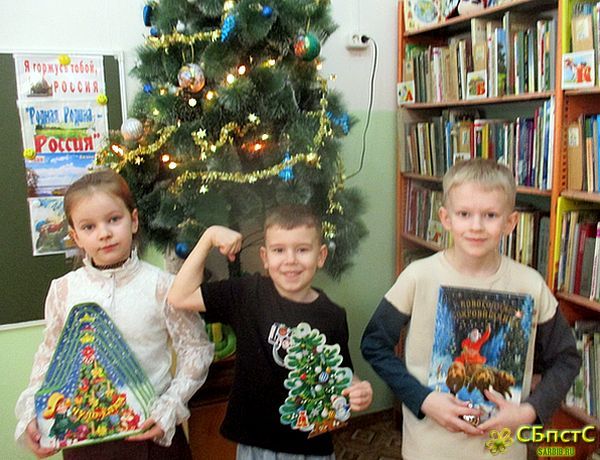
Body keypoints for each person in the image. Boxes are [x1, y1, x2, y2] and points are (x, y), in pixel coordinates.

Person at [361, 159, 581, 460]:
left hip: (501, 451)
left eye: (490, 215)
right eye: (464, 214)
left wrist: (529, 411)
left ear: (510, 223)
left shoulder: (530, 285)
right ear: (445, 218)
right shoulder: (418, 276)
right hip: (429, 450)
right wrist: (423, 399)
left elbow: (566, 359)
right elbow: (374, 344)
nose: (476, 226)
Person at [15, 169, 214, 459]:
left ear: (133, 221)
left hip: (151, 436)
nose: (104, 233)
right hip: (83, 439)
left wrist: (169, 407)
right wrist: (32, 414)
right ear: (75, 236)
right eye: (89, 227)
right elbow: (49, 358)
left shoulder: (161, 285)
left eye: (113, 219)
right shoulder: (63, 290)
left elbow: (196, 349)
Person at [168, 204, 373, 459]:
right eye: (279, 250)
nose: (290, 260)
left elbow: (342, 375)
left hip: (311, 449)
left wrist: (358, 389)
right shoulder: (247, 293)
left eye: (302, 250)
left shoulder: (333, 315)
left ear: (320, 256)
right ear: (265, 258)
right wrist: (208, 238)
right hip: (257, 447)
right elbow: (180, 297)